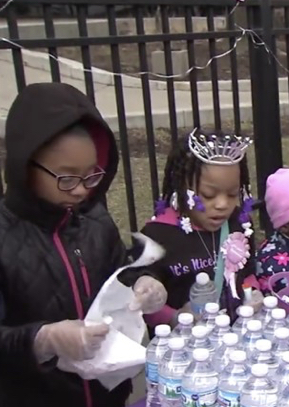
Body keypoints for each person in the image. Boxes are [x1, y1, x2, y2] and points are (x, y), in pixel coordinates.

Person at [0, 82, 167, 406]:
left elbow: (119, 276)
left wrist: (146, 284)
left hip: (108, 392)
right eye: (67, 177)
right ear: (25, 165)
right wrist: (43, 339)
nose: (80, 191)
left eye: (91, 176)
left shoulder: (94, 220)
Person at [137, 128, 256, 327]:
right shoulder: (157, 235)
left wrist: (254, 293)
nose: (222, 204)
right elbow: (144, 305)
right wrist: (174, 318)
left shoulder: (239, 224)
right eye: (208, 195)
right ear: (182, 186)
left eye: (232, 193)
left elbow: (248, 274)